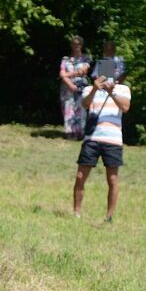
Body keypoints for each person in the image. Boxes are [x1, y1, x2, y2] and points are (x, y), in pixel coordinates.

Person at [72, 74, 131, 222]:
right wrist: (94, 90)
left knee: (112, 179)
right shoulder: (89, 89)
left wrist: (111, 92)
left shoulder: (123, 89)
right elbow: (85, 104)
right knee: (80, 177)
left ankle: (109, 216)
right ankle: (76, 213)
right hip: (92, 138)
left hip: (113, 139)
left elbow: (125, 107)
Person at [59, 36, 92, 140]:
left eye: (78, 44)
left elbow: (83, 71)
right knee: (68, 109)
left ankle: (80, 133)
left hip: (81, 87)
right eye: (73, 44)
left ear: (81, 45)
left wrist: (66, 75)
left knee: (81, 109)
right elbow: (61, 73)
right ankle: (70, 133)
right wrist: (70, 83)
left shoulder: (86, 58)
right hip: (67, 88)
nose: (75, 46)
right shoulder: (65, 59)